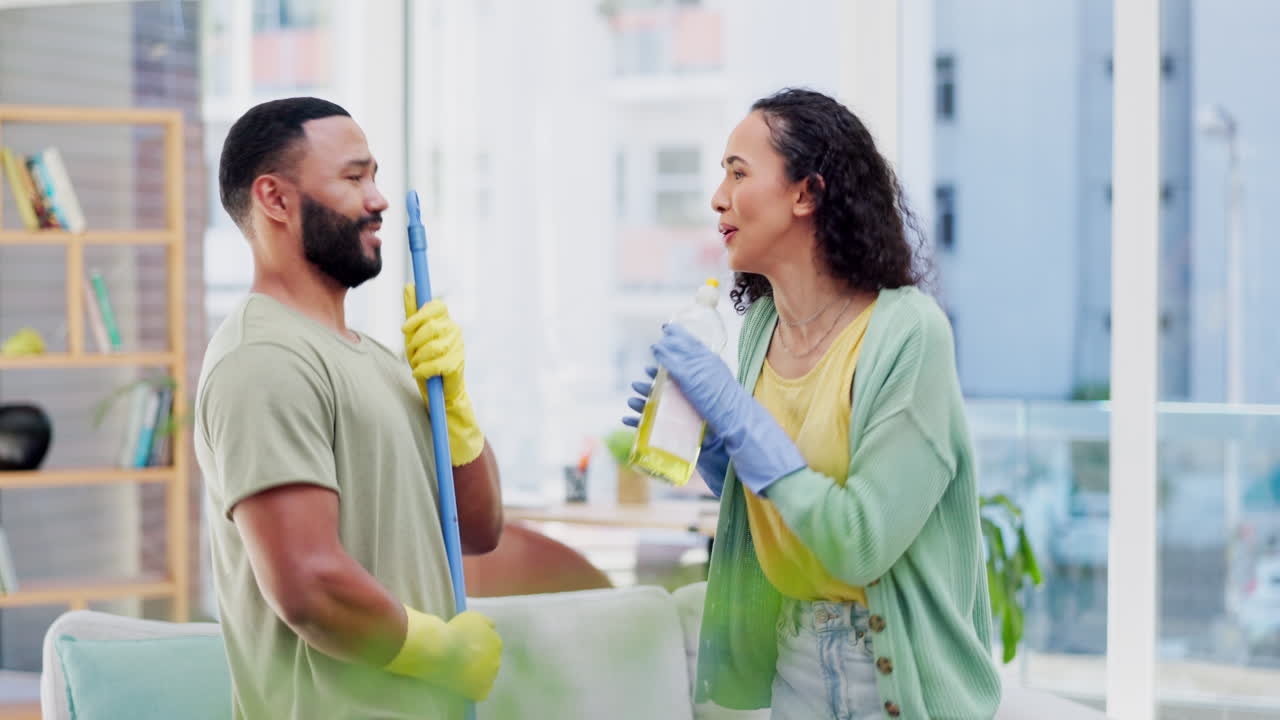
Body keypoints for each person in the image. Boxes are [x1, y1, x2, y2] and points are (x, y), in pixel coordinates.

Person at [625, 88, 1000, 719]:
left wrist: (740, 419)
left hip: (889, 672)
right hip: (794, 658)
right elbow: (789, 509)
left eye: (739, 173)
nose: (718, 197)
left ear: (807, 193)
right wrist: (720, 457)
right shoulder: (761, 329)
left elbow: (859, 543)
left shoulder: (909, 333)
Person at [194, 97, 503, 719]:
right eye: (354, 177)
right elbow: (309, 584)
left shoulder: (383, 362)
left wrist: (456, 408)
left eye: (376, 176)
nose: (379, 199)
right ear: (275, 200)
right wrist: (438, 650)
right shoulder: (263, 359)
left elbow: (478, 530)